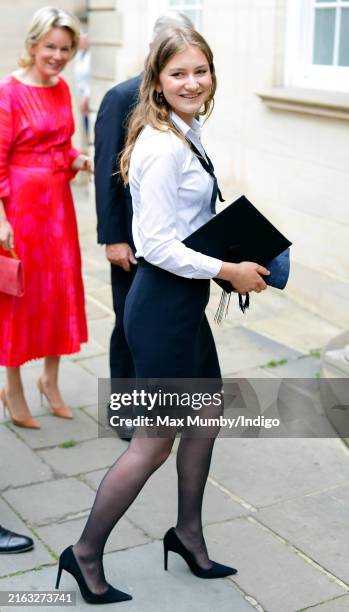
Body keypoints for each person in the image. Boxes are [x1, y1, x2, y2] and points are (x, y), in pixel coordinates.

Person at [56, 26, 269, 605]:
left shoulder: (187, 130)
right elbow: (155, 244)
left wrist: (238, 247)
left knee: (205, 418)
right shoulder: (160, 143)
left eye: (200, 70)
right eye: (178, 73)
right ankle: (84, 554)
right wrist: (229, 271)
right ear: (157, 80)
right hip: (162, 306)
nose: (191, 82)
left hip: (183, 303)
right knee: (153, 441)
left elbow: (184, 226)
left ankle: (187, 534)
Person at [94, 11, 193, 440]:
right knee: (128, 322)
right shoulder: (121, 96)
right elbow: (106, 173)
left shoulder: (181, 100)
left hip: (171, 240)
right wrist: (112, 237)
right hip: (132, 239)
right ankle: (123, 410)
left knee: (161, 328)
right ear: (153, 48)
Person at [0, 7, 92, 429]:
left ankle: (50, 382)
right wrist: (1, 219)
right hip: (19, 207)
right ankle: (13, 386)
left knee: (58, 291)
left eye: (65, 48)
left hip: (58, 207)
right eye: (50, 47)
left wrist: (79, 159)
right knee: (18, 296)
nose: (57, 56)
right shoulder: (9, 92)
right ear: (33, 44)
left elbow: (62, 146)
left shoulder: (61, 89)